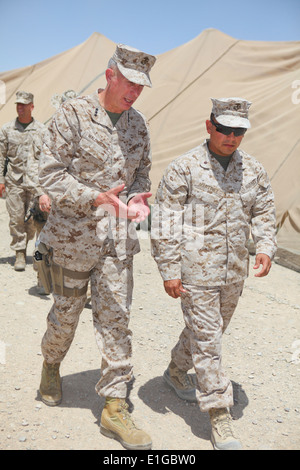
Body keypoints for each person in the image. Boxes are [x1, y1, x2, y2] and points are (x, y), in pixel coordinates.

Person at [37, 44, 156, 450]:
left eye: (142, 85)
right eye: (130, 82)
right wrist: (95, 197)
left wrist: (138, 199)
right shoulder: (73, 114)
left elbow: (140, 176)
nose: (136, 92)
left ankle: (114, 404)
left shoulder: (138, 126)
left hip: (117, 243)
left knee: (116, 319)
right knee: (65, 315)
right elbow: (49, 174)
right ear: (110, 76)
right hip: (72, 239)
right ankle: (51, 364)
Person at [151, 97, 277, 450]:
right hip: (195, 274)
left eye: (238, 131)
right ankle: (219, 414)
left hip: (233, 272)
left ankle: (175, 372)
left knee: (209, 331)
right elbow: (164, 222)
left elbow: (264, 211)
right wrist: (169, 269)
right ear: (209, 126)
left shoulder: (253, 169)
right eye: (224, 128)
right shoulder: (184, 168)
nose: (231, 136)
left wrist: (265, 246)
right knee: (210, 343)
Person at [0, 91, 50, 271]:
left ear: (32, 106)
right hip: (14, 180)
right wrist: (1, 180)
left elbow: (47, 158)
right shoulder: (7, 129)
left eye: (24, 105)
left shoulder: (42, 130)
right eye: (17, 105)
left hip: (35, 183)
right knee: (16, 219)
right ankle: (19, 253)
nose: (20, 108)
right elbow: (1, 156)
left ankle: (36, 252)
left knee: (35, 220)